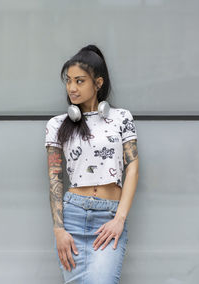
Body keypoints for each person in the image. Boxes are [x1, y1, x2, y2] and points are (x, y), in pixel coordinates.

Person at [45, 44, 139, 284]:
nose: (72, 88)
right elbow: (54, 177)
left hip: (108, 216)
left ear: (98, 83)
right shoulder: (57, 124)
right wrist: (59, 230)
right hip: (73, 217)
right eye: (68, 81)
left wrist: (119, 219)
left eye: (79, 81)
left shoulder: (121, 118)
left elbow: (133, 167)